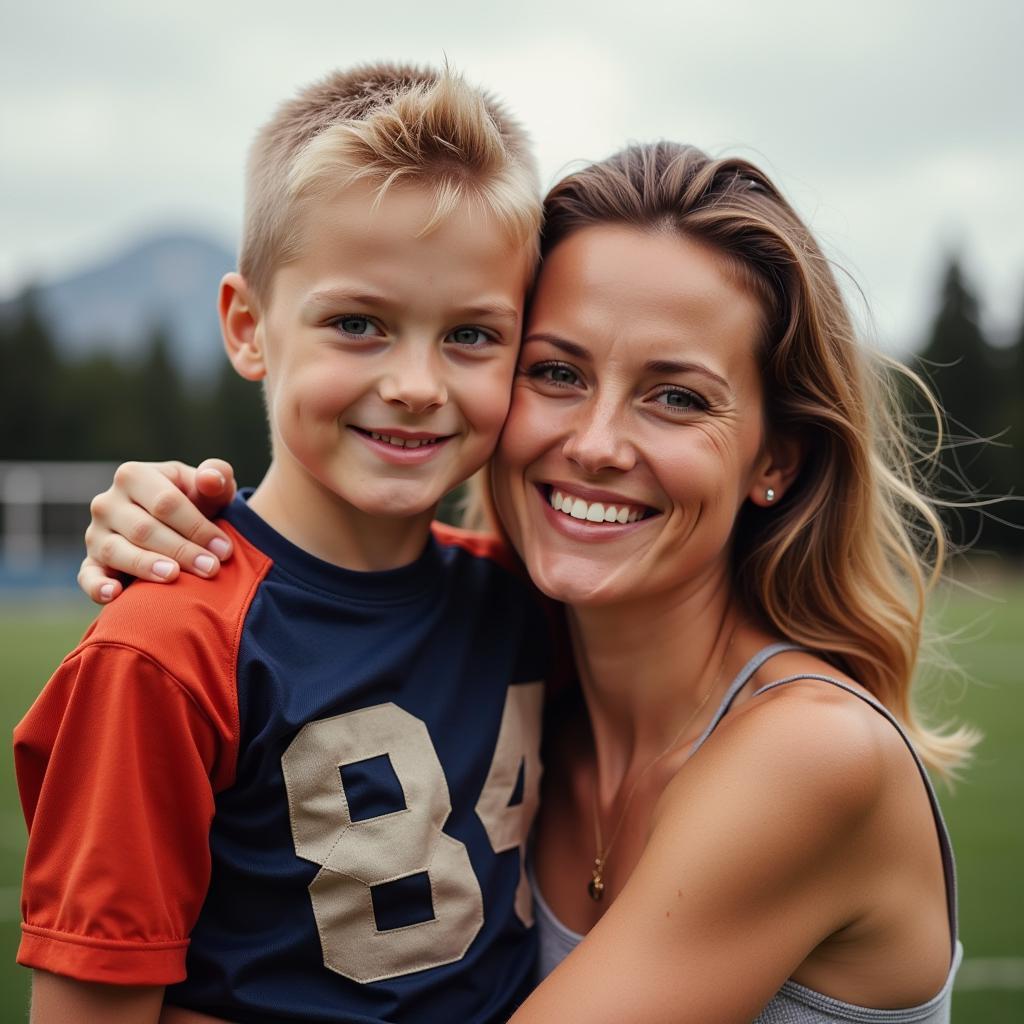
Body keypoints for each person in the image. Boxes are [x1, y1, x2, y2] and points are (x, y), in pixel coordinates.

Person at [77, 143, 974, 1023]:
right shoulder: (517, 675)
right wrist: (177, 530)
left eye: (677, 397)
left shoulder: (810, 755)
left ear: (773, 458)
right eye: (556, 372)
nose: (594, 443)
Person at [14, 63, 555, 1024]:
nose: (419, 383)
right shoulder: (166, 649)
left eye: (473, 335)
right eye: (359, 324)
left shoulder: (526, 598)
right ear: (249, 326)